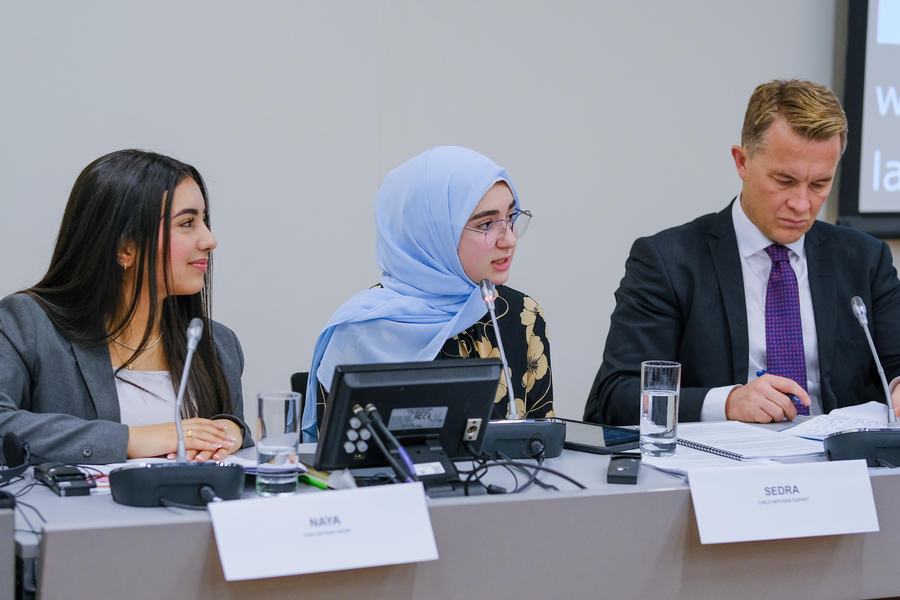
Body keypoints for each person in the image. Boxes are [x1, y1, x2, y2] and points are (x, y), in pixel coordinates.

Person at [585, 79, 900, 426]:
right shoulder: (668, 261)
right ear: (742, 162)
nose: (801, 204)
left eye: (819, 184)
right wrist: (728, 402)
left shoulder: (865, 260)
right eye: (784, 180)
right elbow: (619, 396)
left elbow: (895, 366)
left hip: (839, 466)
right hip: (721, 471)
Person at [0, 150, 250, 464]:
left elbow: (234, 452)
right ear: (125, 247)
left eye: (204, 221)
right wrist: (134, 438)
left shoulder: (216, 342)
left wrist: (231, 430)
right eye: (187, 223)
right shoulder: (27, 324)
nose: (209, 239)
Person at [303, 146, 553, 440]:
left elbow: (541, 447)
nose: (509, 239)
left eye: (511, 216)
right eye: (486, 224)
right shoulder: (361, 330)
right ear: (430, 234)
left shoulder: (521, 313)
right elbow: (336, 463)